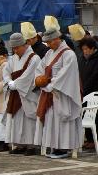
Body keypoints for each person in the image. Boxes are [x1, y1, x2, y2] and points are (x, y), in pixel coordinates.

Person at [35, 27, 83, 159]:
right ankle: (54, 146)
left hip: (63, 92)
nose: (48, 45)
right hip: (49, 92)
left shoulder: (69, 54)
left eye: (49, 42)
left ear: (57, 39)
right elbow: (40, 68)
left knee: (63, 120)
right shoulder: (49, 53)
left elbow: (67, 73)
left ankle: (64, 148)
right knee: (51, 119)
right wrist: (40, 80)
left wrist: (52, 84)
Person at [3, 32, 42, 156]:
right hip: (15, 93)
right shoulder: (13, 58)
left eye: (17, 48)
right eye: (13, 48)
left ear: (24, 45)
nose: (15, 50)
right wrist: (9, 81)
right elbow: (6, 71)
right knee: (16, 119)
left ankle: (31, 145)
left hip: (28, 93)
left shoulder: (34, 58)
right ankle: (19, 144)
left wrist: (17, 84)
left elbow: (29, 76)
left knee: (28, 120)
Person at [78, 36, 98, 150]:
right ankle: (88, 139)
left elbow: (95, 75)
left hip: (93, 91)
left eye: (87, 49)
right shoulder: (81, 59)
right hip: (83, 91)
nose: (85, 51)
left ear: (93, 48)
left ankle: (95, 139)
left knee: (94, 116)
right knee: (84, 115)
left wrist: (86, 87)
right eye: (83, 49)